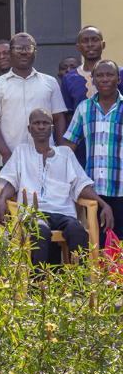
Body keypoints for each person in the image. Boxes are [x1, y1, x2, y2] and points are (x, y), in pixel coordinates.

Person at [0, 108, 113, 267]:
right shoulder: (22, 152)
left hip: (63, 213)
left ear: (52, 128)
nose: (41, 126)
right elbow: (11, 181)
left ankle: (78, 285)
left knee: (77, 230)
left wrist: (104, 204)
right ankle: (38, 286)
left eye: (45, 123)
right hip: (32, 213)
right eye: (36, 123)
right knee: (40, 230)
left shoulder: (65, 154)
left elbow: (81, 185)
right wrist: (1, 200)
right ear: (30, 129)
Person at [0, 33, 68, 164]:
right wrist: (5, 154)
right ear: (10, 53)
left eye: (28, 48)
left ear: (35, 52)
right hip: (11, 160)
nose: (23, 52)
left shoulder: (50, 82)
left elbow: (59, 119)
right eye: (18, 48)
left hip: (47, 159)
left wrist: (61, 152)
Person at [64, 60, 123, 249]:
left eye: (110, 75)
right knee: (99, 245)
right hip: (94, 192)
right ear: (93, 81)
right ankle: (102, 279)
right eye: (100, 75)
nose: (105, 79)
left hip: (121, 189)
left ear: (118, 79)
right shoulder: (83, 108)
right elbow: (68, 146)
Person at [61, 26, 123, 120]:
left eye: (95, 40)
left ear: (103, 45)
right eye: (85, 41)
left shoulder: (119, 73)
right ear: (78, 47)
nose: (90, 44)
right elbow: (68, 115)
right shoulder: (69, 79)